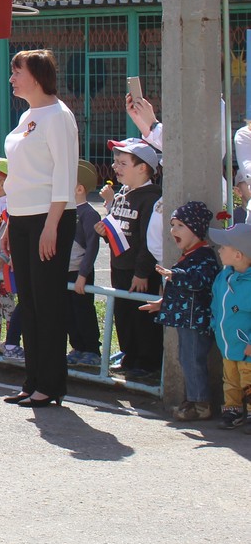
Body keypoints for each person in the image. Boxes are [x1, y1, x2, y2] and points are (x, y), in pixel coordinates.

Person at [0, 49, 79, 408]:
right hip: (21, 217)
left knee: (47, 303)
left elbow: (64, 173)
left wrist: (52, 224)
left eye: (18, 72)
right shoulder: (28, 115)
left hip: (50, 217)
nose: (12, 78)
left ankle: (50, 384)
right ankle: (32, 381)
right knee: (28, 302)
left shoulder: (59, 116)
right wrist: (10, 221)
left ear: (37, 75)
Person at [141, 201, 219, 421]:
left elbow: (200, 282)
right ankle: (194, 399)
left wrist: (175, 275)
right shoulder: (189, 255)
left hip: (195, 321)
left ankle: (200, 403)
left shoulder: (204, 256)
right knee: (187, 359)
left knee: (193, 359)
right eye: (172, 225)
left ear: (195, 228)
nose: (173, 230)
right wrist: (161, 303)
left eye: (180, 225)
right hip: (186, 320)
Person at [100, 137, 165, 383]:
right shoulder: (123, 195)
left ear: (142, 168)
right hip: (120, 267)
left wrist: (141, 272)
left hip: (140, 272)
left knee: (142, 317)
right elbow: (121, 233)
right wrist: (105, 231)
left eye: (122, 162)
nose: (116, 166)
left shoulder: (151, 198)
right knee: (124, 315)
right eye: (116, 161)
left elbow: (149, 241)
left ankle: (147, 362)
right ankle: (130, 356)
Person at [208, 223, 251, 430]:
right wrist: (215, 324)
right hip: (227, 344)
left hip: (247, 348)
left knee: (249, 381)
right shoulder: (223, 277)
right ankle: (232, 411)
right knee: (230, 380)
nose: (219, 249)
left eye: (224, 247)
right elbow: (216, 303)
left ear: (238, 255)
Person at [66, 161, 104, 368]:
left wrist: (83, 274)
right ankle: (77, 347)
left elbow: (92, 248)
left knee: (84, 311)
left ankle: (92, 350)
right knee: (69, 312)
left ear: (79, 188)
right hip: (65, 271)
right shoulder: (64, 211)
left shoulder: (88, 214)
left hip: (80, 272)